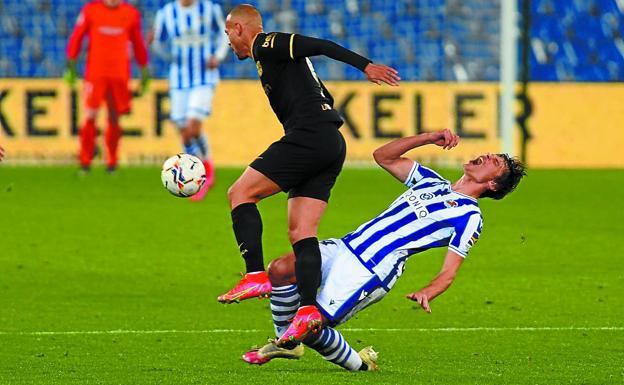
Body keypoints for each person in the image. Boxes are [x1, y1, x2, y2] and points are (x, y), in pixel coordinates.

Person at [240, 129, 526, 371]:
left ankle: (359, 363)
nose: (489, 156)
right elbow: (383, 156)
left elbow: (450, 270)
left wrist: (429, 291)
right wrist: (429, 137)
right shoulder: (430, 182)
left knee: (311, 327)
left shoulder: (470, 216)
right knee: (279, 268)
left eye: (496, 162)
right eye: (492, 154)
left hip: (371, 271)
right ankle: (287, 342)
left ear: (492, 184)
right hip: (346, 246)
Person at [218, 4, 401, 347]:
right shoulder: (268, 59)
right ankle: (306, 310)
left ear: (241, 29)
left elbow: (317, 44)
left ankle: (256, 275)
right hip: (330, 142)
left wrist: (365, 66)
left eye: (228, 33)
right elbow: (319, 88)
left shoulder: (265, 43)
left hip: (309, 137)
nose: (228, 41)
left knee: (240, 194)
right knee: (302, 232)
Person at [150, 0, 228, 200]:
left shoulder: (209, 9)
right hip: (179, 79)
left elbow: (223, 34)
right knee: (184, 132)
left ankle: (206, 169)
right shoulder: (167, 13)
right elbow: (158, 43)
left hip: (204, 77)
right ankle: (194, 172)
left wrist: (217, 57)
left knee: (193, 125)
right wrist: (166, 53)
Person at [65, 0, 149, 173]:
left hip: (119, 74)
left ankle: (112, 161)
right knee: (90, 115)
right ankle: (85, 161)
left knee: (114, 117)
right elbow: (77, 37)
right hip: (96, 73)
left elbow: (138, 43)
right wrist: (71, 66)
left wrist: (144, 70)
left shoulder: (131, 13)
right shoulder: (91, 11)